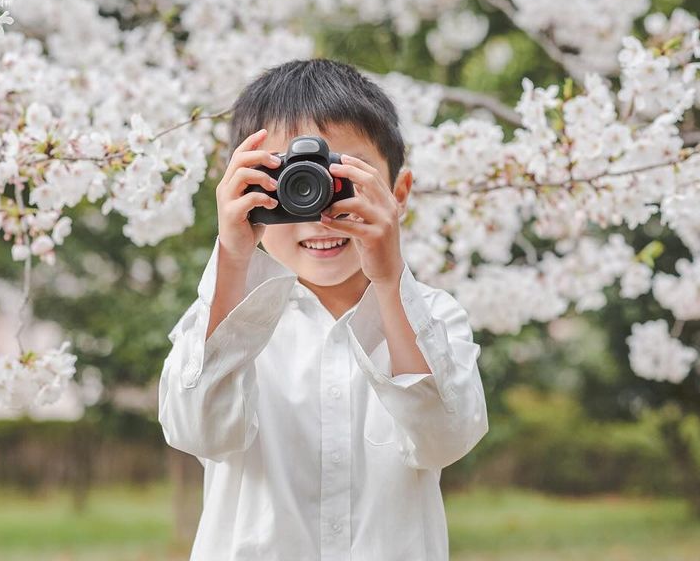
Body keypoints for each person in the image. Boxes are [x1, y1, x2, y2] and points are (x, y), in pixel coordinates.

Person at [158, 58, 489, 561]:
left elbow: (445, 439)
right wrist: (232, 255)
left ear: (398, 195)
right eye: (287, 181)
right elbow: (196, 430)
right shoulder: (223, 318)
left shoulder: (435, 316)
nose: (318, 210)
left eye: (342, 178)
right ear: (242, 193)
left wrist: (390, 279)